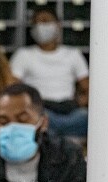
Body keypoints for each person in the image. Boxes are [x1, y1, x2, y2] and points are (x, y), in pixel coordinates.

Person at [10, 6, 89, 137]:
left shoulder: (73, 54)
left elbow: (87, 87)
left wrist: (79, 102)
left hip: (69, 109)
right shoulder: (23, 55)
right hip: (41, 107)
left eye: (45, 21)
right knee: (37, 119)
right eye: (36, 23)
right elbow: (12, 87)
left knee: (86, 118)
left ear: (58, 25)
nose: (40, 26)